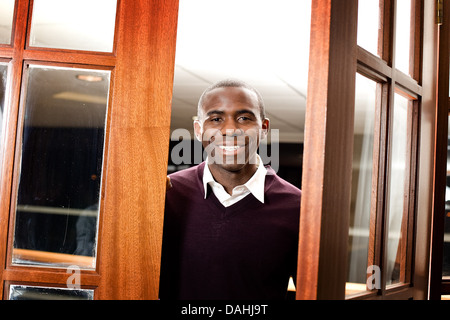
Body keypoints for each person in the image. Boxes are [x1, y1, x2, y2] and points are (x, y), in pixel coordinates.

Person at [159, 79, 301, 300]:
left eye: (244, 118)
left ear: (264, 128)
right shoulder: (167, 194)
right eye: (216, 119)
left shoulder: (298, 207)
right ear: (198, 130)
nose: (230, 130)